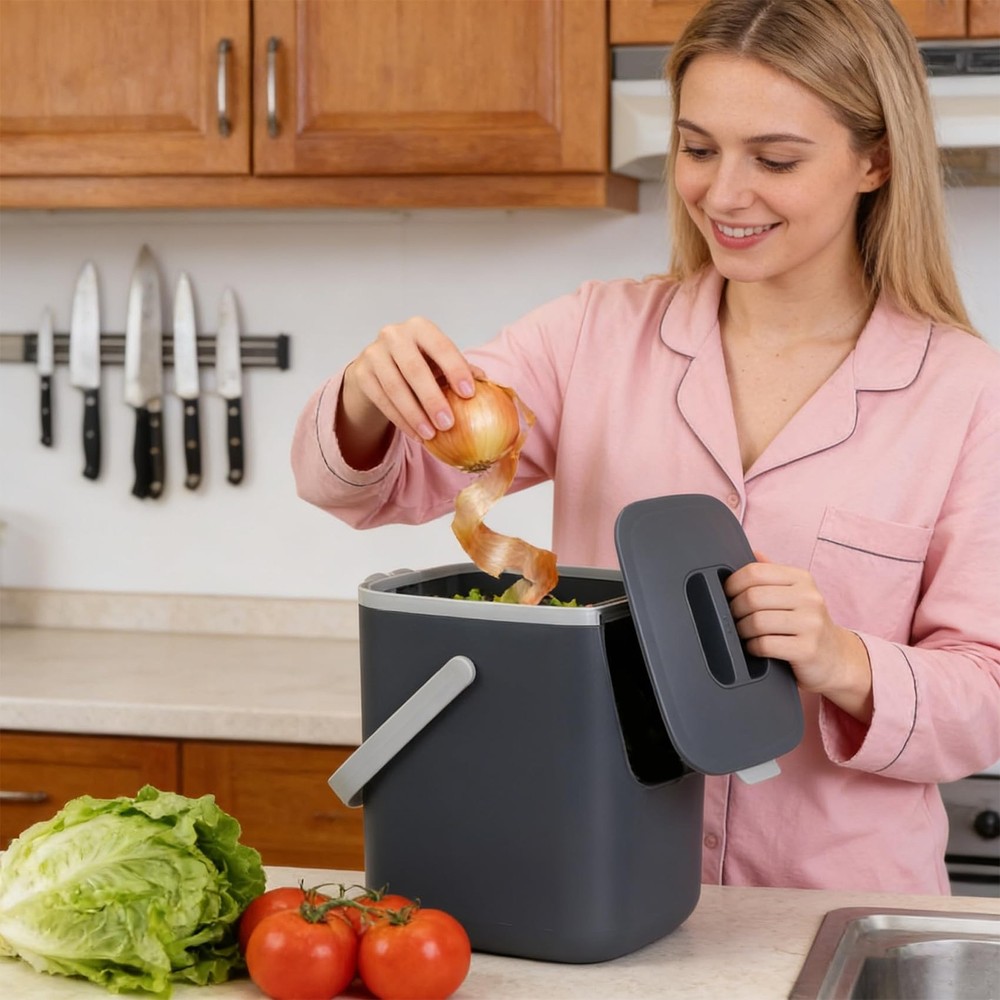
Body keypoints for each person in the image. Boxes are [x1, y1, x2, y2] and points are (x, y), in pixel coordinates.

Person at [291, 0, 1000, 894]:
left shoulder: (968, 393)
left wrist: (843, 659)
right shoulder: (592, 335)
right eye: (698, 149)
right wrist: (372, 397)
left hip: (832, 907)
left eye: (775, 159)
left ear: (877, 159)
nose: (724, 194)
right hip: (608, 887)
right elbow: (366, 488)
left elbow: (987, 697)